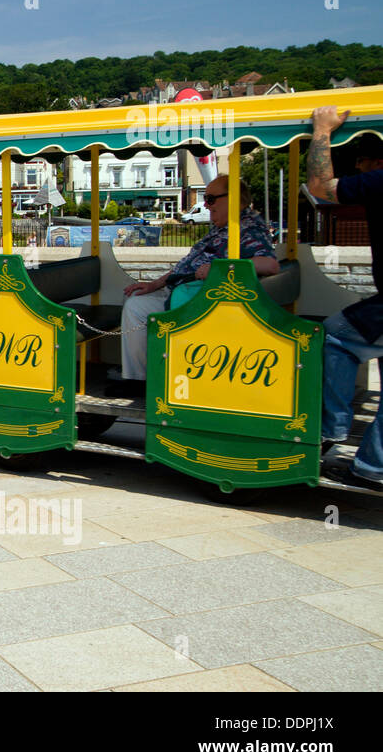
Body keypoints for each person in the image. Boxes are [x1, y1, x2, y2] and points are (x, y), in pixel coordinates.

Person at [110, 174, 279, 398]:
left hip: (204, 304)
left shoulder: (247, 230)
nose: (206, 206)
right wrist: (154, 285)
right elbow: (186, 266)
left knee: (136, 308)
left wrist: (221, 267)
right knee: (135, 300)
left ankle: (141, 381)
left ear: (235, 199)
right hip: (189, 293)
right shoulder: (224, 228)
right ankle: (143, 376)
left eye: (211, 199)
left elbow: (270, 265)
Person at [307, 107, 383, 489]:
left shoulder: (379, 179)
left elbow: (321, 187)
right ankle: (372, 465)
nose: (360, 170)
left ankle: (332, 428)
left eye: (361, 163)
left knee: (334, 333)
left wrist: (321, 130)